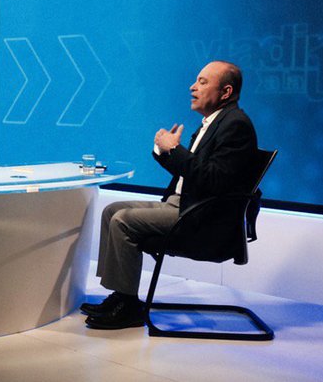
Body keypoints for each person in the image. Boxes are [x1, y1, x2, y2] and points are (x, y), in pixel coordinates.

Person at [81, 60, 257, 330]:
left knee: (123, 220)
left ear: (226, 92)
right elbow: (193, 172)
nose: (192, 87)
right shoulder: (215, 122)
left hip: (201, 218)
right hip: (184, 205)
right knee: (111, 210)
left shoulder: (236, 125)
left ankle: (128, 305)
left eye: (202, 82)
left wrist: (176, 150)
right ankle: (119, 295)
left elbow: (214, 180)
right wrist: (165, 151)